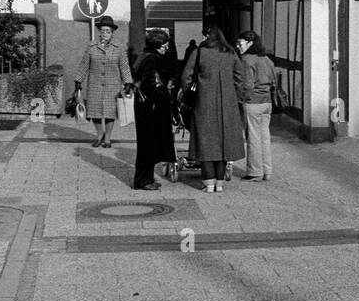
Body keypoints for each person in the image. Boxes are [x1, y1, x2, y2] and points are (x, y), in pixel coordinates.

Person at [181, 24, 245, 192]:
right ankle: (219, 183)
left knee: (206, 141)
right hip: (227, 105)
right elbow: (240, 77)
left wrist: (188, 94)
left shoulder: (199, 52)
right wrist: (235, 97)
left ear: (208, 36)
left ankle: (208, 183)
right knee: (224, 143)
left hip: (204, 103)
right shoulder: (230, 53)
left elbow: (186, 76)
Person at [74, 14, 132, 147]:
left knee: (110, 113)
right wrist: (78, 80)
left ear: (112, 33)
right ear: (99, 32)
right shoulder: (91, 46)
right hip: (94, 84)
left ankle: (108, 139)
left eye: (108, 31)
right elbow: (84, 64)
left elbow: (124, 66)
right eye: (103, 31)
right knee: (95, 112)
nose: (105, 33)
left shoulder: (119, 48)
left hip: (113, 85)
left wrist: (128, 82)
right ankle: (100, 134)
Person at [131, 29, 175, 191]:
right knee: (147, 145)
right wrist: (161, 96)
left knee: (147, 144)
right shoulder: (151, 59)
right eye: (164, 44)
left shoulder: (144, 56)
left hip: (145, 106)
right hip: (150, 108)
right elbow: (150, 83)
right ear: (157, 44)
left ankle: (146, 178)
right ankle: (142, 180)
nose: (166, 47)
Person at [236, 30, 276, 182]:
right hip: (267, 102)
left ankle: (255, 172)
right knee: (264, 137)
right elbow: (274, 81)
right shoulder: (266, 59)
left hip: (253, 102)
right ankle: (267, 171)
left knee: (252, 137)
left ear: (250, 43)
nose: (238, 46)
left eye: (240, 43)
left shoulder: (247, 60)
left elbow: (247, 84)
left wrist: (242, 99)